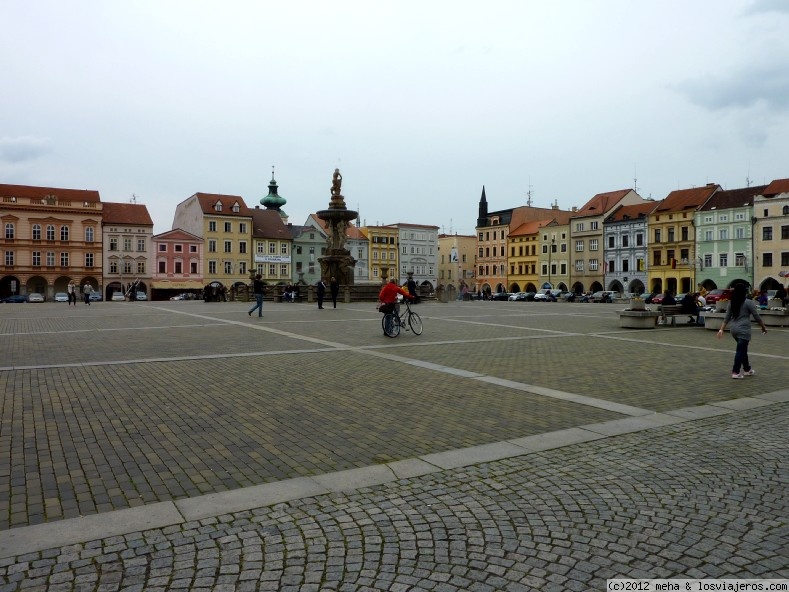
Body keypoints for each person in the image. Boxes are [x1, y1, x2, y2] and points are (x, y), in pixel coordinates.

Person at [716, 283, 767, 379]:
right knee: (740, 351)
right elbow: (756, 316)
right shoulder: (748, 302)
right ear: (744, 292)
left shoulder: (732, 302)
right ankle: (735, 372)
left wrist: (721, 329)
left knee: (743, 350)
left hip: (733, 330)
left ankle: (747, 369)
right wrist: (763, 327)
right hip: (744, 330)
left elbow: (727, 318)